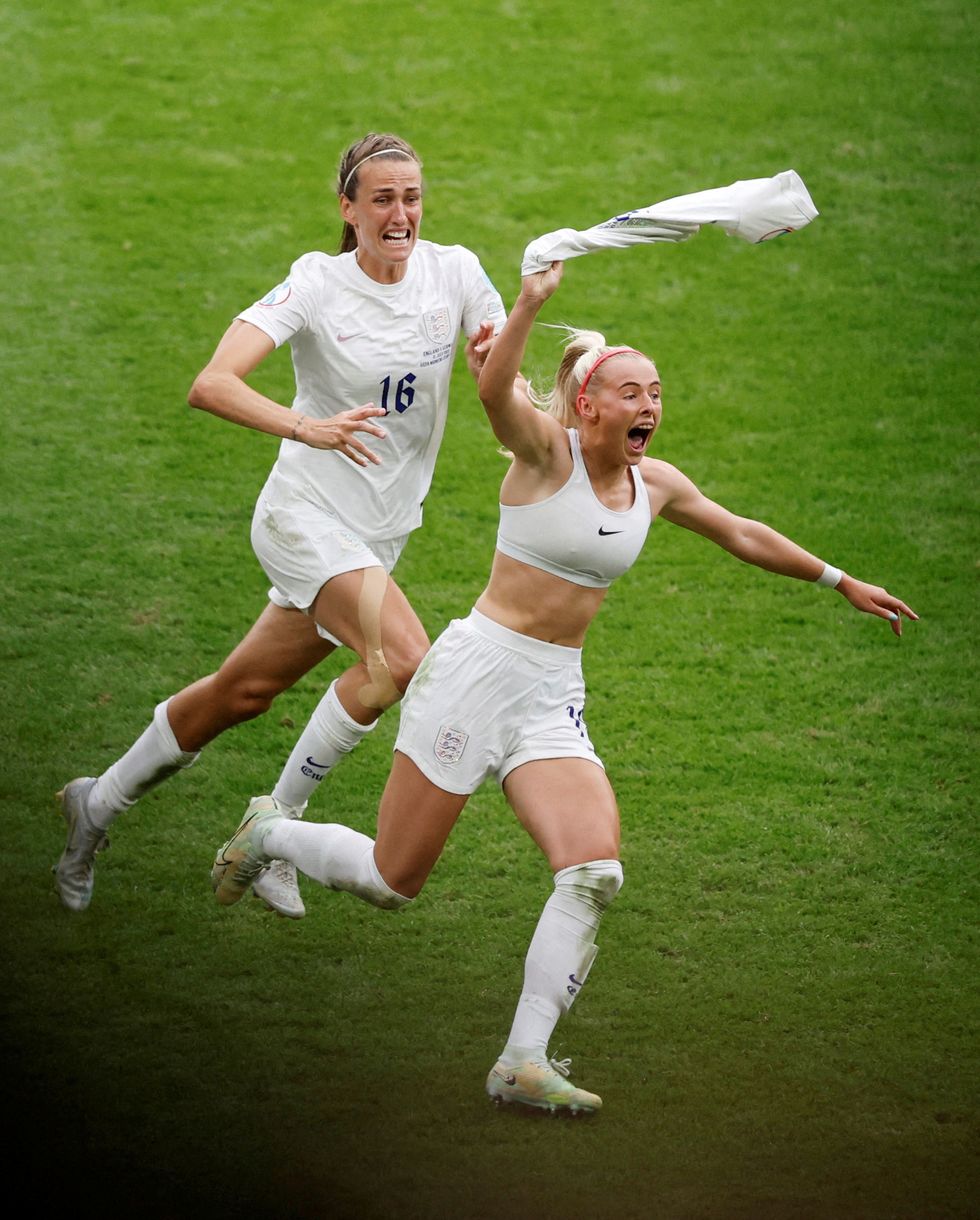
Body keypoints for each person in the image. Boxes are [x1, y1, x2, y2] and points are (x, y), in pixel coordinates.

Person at [209, 260, 917, 1115]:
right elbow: (495, 390)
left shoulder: (654, 482)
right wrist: (531, 304)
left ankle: (522, 1060)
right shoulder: (543, 456)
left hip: (551, 692)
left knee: (592, 870)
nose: (649, 405)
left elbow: (739, 531)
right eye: (630, 392)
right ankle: (272, 834)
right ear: (586, 405)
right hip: (473, 678)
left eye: (655, 392)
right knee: (393, 883)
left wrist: (838, 579)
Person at [54, 132, 506, 918]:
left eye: (412, 197)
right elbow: (213, 383)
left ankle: (95, 805)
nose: (401, 214)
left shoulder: (456, 272)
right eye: (382, 199)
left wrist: (520, 348)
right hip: (304, 517)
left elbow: (499, 387)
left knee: (245, 691)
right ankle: (271, 828)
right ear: (349, 209)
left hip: (378, 535)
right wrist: (309, 429)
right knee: (400, 658)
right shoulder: (316, 284)